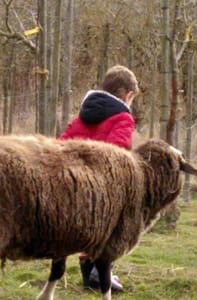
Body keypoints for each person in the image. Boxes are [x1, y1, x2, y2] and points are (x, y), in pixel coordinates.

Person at [59, 64, 139, 291]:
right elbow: (116, 153)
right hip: (102, 187)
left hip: (72, 184)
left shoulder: (80, 117)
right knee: (121, 223)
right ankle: (98, 272)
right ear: (128, 94)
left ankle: (90, 276)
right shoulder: (123, 117)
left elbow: (60, 145)